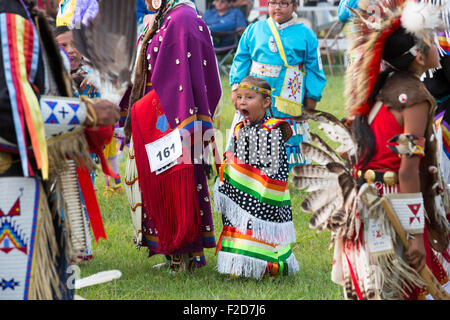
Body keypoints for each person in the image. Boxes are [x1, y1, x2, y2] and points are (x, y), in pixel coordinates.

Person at [293, 0, 450, 300]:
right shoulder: (414, 97)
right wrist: (416, 235)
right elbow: (406, 169)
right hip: (392, 209)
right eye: (430, 40)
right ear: (417, 54)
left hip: (365, 207)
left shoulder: (379, 87)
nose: (437, 46)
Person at [0, 0, 120, 299]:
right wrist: (84, 114)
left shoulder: (25, 12)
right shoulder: (8, 15)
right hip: (12, 186)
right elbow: (9, 109)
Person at [123, 0, 222, 273]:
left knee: (175, 183)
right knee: (159, 183)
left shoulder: (183, 17)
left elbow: (188, 74)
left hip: (173, 114)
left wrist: (179, 119)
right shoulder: (167, 15)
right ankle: (173, 252)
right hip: (159, 112)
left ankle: (184, 256)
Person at [214, 76, 299, 279]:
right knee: (238, 225)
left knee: (259, 228)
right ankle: (239, 264)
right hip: (241, 194)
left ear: (266, 102)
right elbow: (234, 158)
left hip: (262, 193)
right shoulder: (240, 128)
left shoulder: (273, 128)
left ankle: (267, 266)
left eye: (250, 97)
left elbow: (270, 167)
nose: (242, 101)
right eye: (240, 97)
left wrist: (247, 178)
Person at [229, 0, 327, 171]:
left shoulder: (306, 34)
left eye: (284, 3)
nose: (278, 7)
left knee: (285, 130)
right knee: (254, 126)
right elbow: (241, 58)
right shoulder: (255, 29)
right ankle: (250, 166)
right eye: (273, 2)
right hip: (256, 92)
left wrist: (312, 96)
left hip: (288, 94)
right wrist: (236, 87)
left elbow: (314, 68)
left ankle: (284, 170)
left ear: (295, 6)